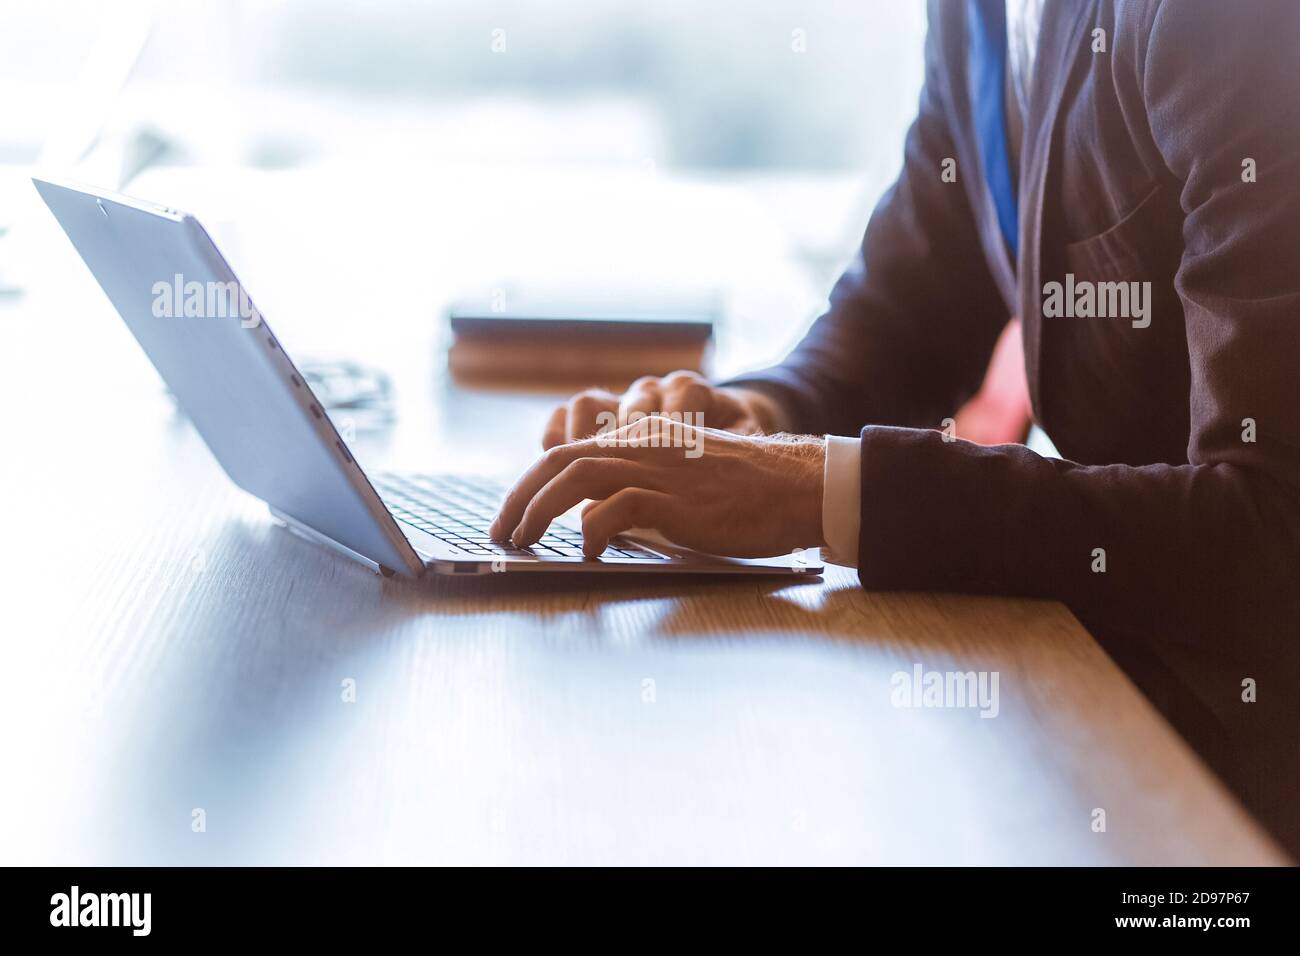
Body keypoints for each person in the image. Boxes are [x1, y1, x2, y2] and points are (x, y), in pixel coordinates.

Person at [490, 0, 1300, 855]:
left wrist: (823, 490)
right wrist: (763, 416)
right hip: (1122, 716)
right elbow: (921, 287)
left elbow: (1273, 527)